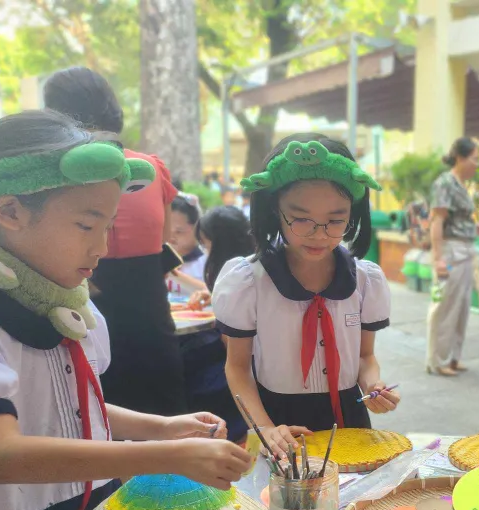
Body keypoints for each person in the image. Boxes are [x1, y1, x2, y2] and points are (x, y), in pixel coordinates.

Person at [0, 111, 250, 510]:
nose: (103, 247)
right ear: (9, 212)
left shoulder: (69, 302)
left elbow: (82, 406)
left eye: (109, 224)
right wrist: (162, 459)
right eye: (86, 224)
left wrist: (162, 428)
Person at [212, 134, 397, 458]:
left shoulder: (365, 281)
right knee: (279, 506)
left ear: (351, 216)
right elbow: (237, 369)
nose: (319, 233)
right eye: (301, 219)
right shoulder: (249, 281)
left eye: (335, 220)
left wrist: (373, 386)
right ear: (274, 211)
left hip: (350, 421)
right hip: (276, 425)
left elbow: (365, 358)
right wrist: (265, 430)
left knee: (353, 504)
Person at [43, 66, 188, 417]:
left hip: (84, 309)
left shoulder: (55, 172)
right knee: (165, 424)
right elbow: (166, 237)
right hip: (152, 315)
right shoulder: (151, 168)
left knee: (99, 419)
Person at [180, 206, 253, 443]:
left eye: (205, 244)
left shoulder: (232, 275)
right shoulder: (252, 266)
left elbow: (231, 347)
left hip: (239, 372)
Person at [426, 137, 479, 377]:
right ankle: (437, 360)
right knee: (444, 306)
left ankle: (453, 357)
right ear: (460, 157)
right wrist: (438, 258)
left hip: (464, 251)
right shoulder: (445, 183)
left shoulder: (460, 184)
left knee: (461, 307)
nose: (477, 165)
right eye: (474, 159)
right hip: (449, 252)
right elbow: (437, 221)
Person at [166, 195, 206, 294]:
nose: (170, 236)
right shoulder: (153, 258)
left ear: (197, 228)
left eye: (179, 231)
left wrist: (172, 272)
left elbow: (215, 294)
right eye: (165, 229)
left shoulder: (206, 262)